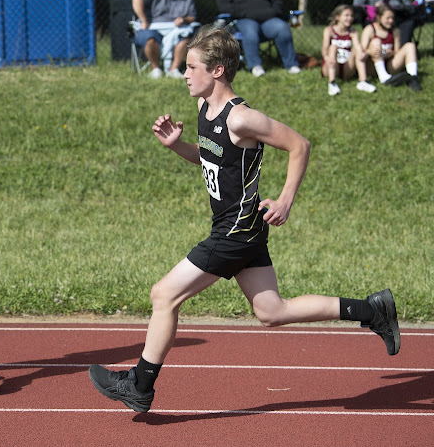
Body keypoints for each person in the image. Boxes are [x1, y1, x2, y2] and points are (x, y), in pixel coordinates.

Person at [87, 25, 401, 414]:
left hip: (237, 229)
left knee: (163, 295)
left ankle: (140, 384)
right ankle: (372, 310)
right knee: (272, 311)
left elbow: (299, 145)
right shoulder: (205, 108)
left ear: (217, 70)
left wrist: (285, 200)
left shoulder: (241, 119)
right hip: (237, 227)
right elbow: (213, 162)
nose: (184, 74)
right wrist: (177, 146)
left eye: (191, 67)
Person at [216, 0, 301, 77]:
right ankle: (255, 66)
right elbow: (224, 7)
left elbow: (278, 3)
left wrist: (273, 12)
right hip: (245, 20)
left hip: (269, 20)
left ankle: (291, 65)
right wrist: (246, 13)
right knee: (250, 32)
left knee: (282, 28)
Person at [132, 0, 200, 79]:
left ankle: (173, 69)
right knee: (149, 39)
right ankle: (156, 69)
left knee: (186, 37)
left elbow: (192, 17)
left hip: (176, 29)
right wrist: (143, 20)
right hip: (153, 27)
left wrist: (183, 19)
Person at [360, 4, 422, 91]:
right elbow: (362, 51)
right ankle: (383, 78)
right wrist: (372, 51)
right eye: (387, 18)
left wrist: (390, 53)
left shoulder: (395, 30)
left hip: (389, 64)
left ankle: (412, 78)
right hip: (372, 66)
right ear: (378, 17)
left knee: (410, 46)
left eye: (392, 18)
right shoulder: (370, 29)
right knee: (376, 41)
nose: (391, 21)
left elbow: (397, 51)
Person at [321, 5, 376, 95]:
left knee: (357, 49)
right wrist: (327, 58)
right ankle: (332, 83)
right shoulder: (329, 30)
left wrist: (362, 53)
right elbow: (324, 48)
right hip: (331, 65)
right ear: (337, 17)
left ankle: (363, 82)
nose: (349, 18)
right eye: (346, 15)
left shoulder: (353, 32)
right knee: (333, 47)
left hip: (346, 67)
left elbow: (357, 46)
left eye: (351, 16)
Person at [353, 0, 420, 45]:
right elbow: (358, 6)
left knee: (408, 22)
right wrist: (375, 7)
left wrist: (397, 7)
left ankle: (402, 49)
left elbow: (408, 5)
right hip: (376, 17)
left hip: (397, 15)